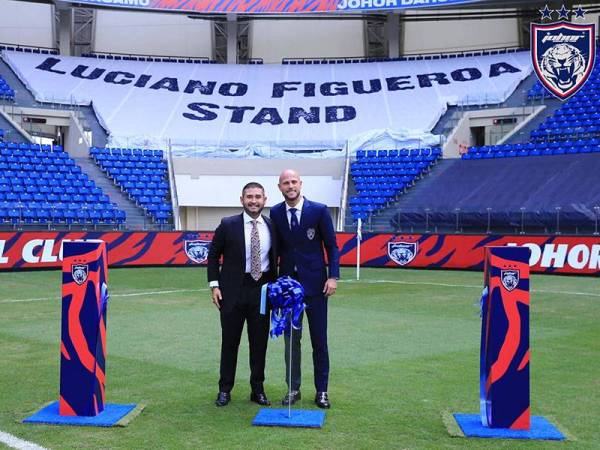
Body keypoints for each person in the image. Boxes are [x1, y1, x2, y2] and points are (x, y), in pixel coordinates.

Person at [269, 169, 340, 409]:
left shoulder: (319, 210)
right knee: (292, 341)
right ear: (279, 187)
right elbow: (276, 249)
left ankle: (322, 391)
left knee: (319, 340)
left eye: (293, 182)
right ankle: (293, 388)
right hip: (289, 290)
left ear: (301, 183)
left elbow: (331, 246)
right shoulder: (276, 212)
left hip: (317, 287)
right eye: (285, 183)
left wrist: (333, 277)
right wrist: (275, 283)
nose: (290, 186)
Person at [207, 182, 277, 407]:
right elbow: (212, 256)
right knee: (230, 342)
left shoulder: (272, 225)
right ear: (242, 199)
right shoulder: (228, 224)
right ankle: (225, 389)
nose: (254, 201)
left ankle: (257, 389)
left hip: (262, 290)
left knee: (259, 344)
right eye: (249, 197)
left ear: (265, 200)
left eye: (258, 197)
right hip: (232, 292)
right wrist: (214, 285)